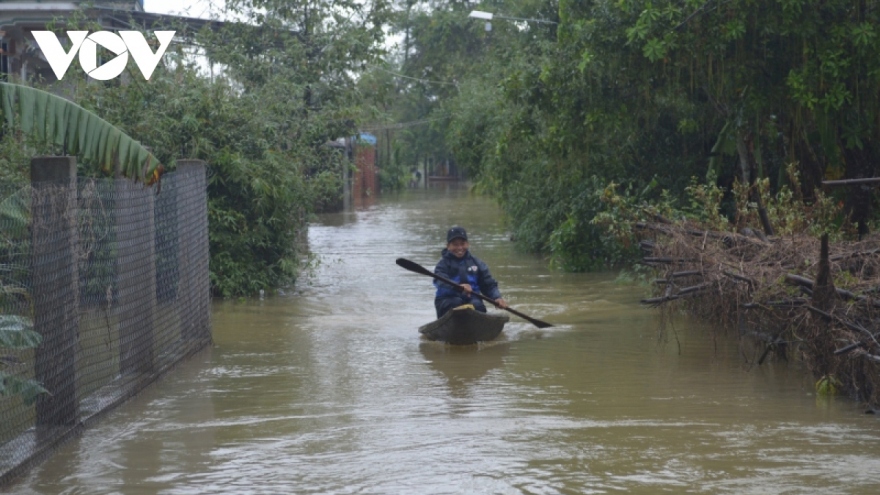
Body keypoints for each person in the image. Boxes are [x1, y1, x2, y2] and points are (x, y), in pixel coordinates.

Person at [434, 226, 508, 318]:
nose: (460, 248)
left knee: (478, 305)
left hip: (471, 299)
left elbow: (489, 285)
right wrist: (458, 286)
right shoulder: (442, 265)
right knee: (456, 302)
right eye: (455, 244)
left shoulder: (477, 263)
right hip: (447, 300)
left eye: (462, 244)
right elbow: (440, 281)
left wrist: (497, 298)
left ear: (468, 244)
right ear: (448, 246)